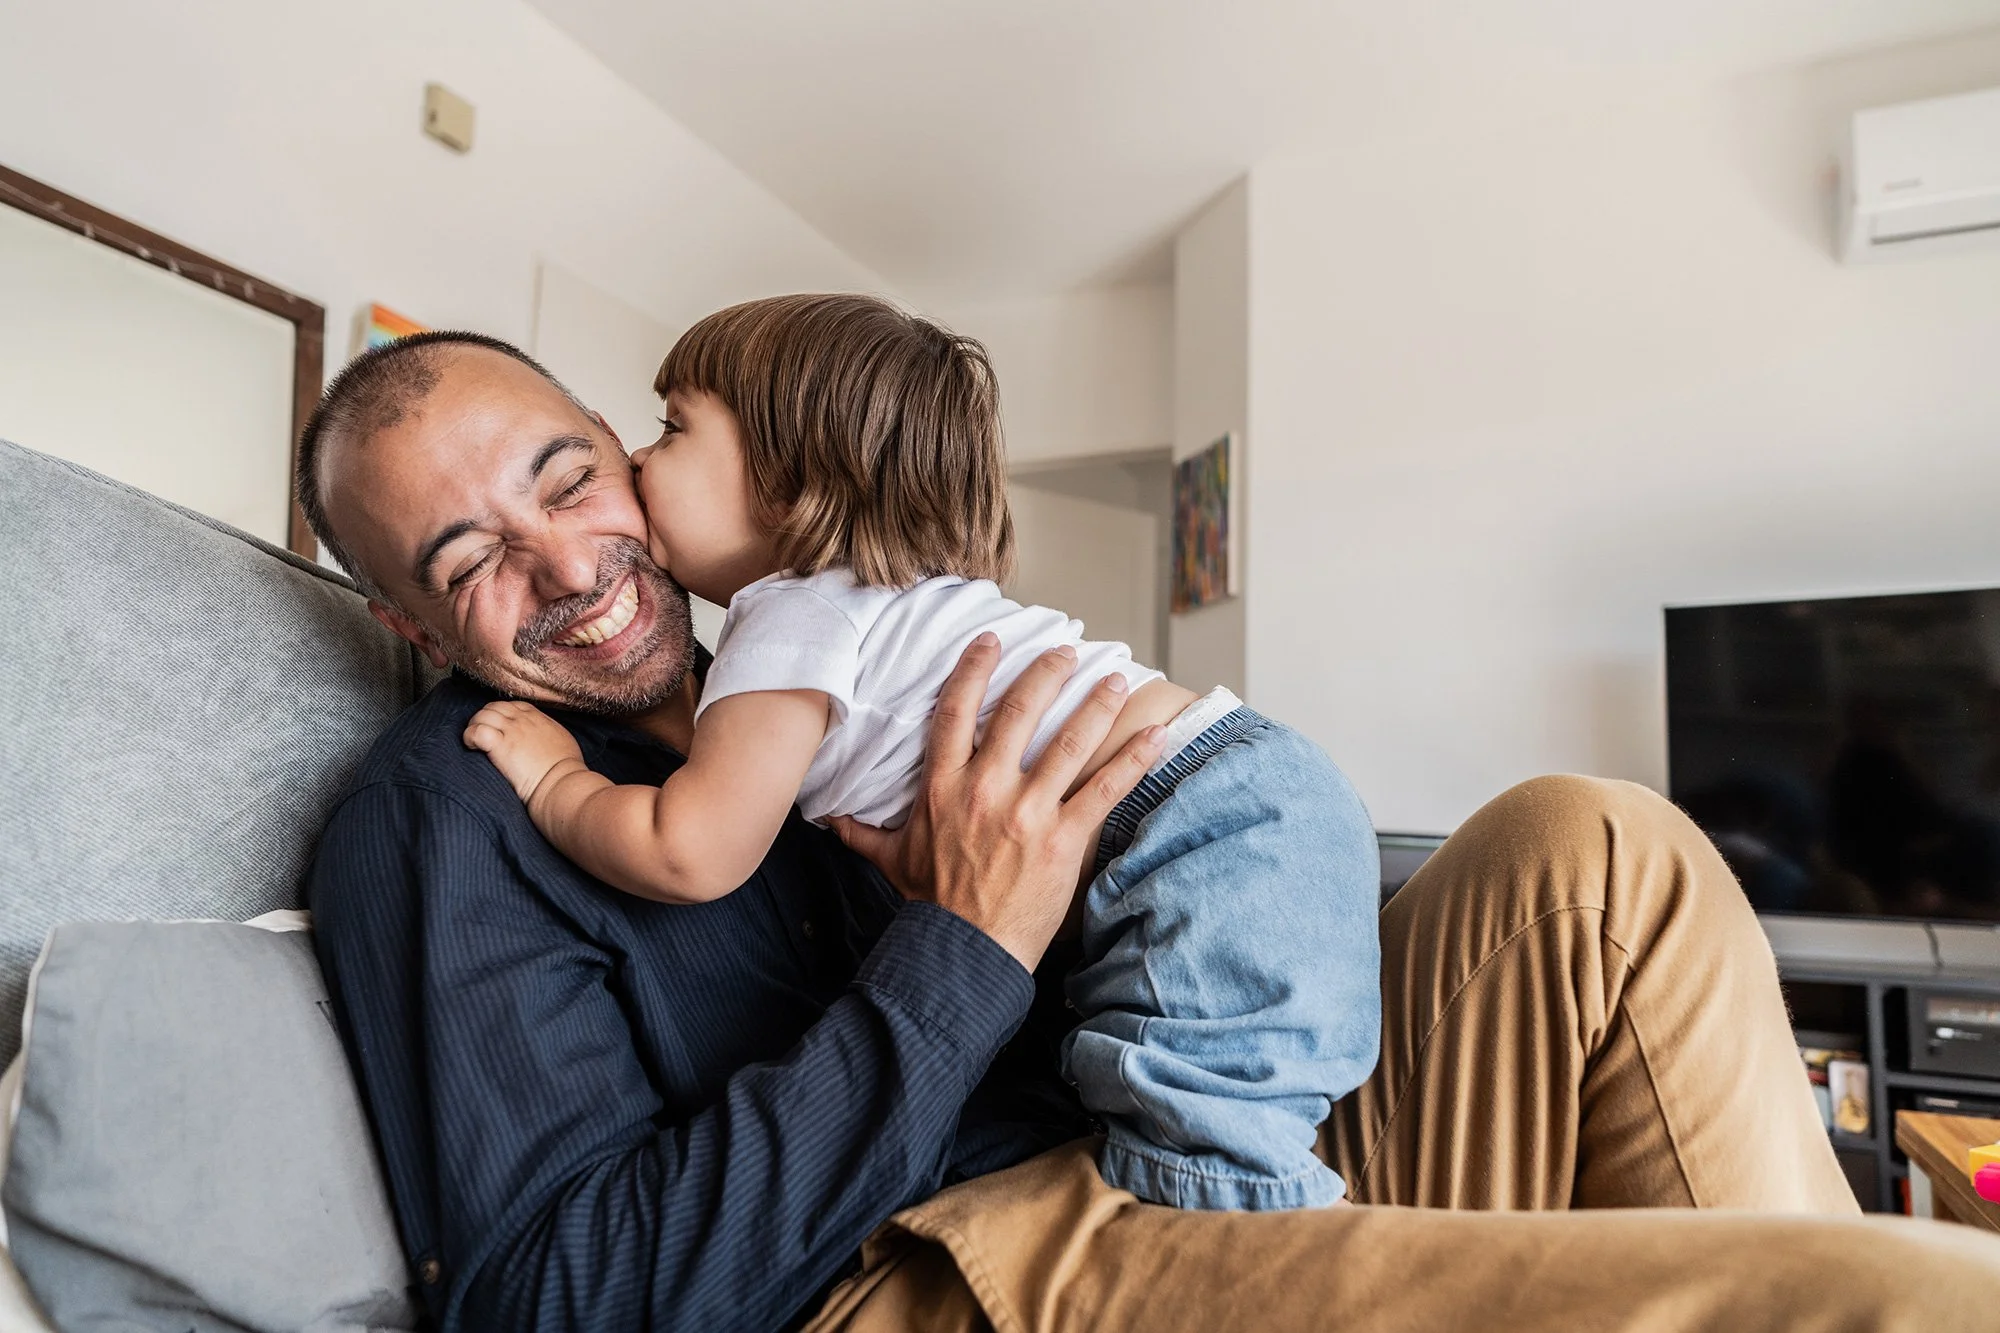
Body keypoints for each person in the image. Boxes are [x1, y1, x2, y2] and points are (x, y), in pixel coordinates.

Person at [298, 326, 2000, 1332]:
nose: (567, 562)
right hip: (928, 1269)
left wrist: (1107, 831)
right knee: (1911, 1301)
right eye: (466, 560)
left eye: (572, 476)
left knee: (1596, 855)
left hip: (1152, 1144)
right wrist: (960, 948)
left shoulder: (791, 680)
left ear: (632, 462)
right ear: (413, 627)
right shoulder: (445, 812)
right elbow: (549, 1297)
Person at [456, 294, 1381, 1213]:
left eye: (673, 427)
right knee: (1256, 1129)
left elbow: (689, 848)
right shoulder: (881, 601)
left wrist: (556, 780)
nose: (643, 458)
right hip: (1252, 785)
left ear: (787, 478)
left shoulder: (788, 617)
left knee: (1201, 1174)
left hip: (1178, 836)